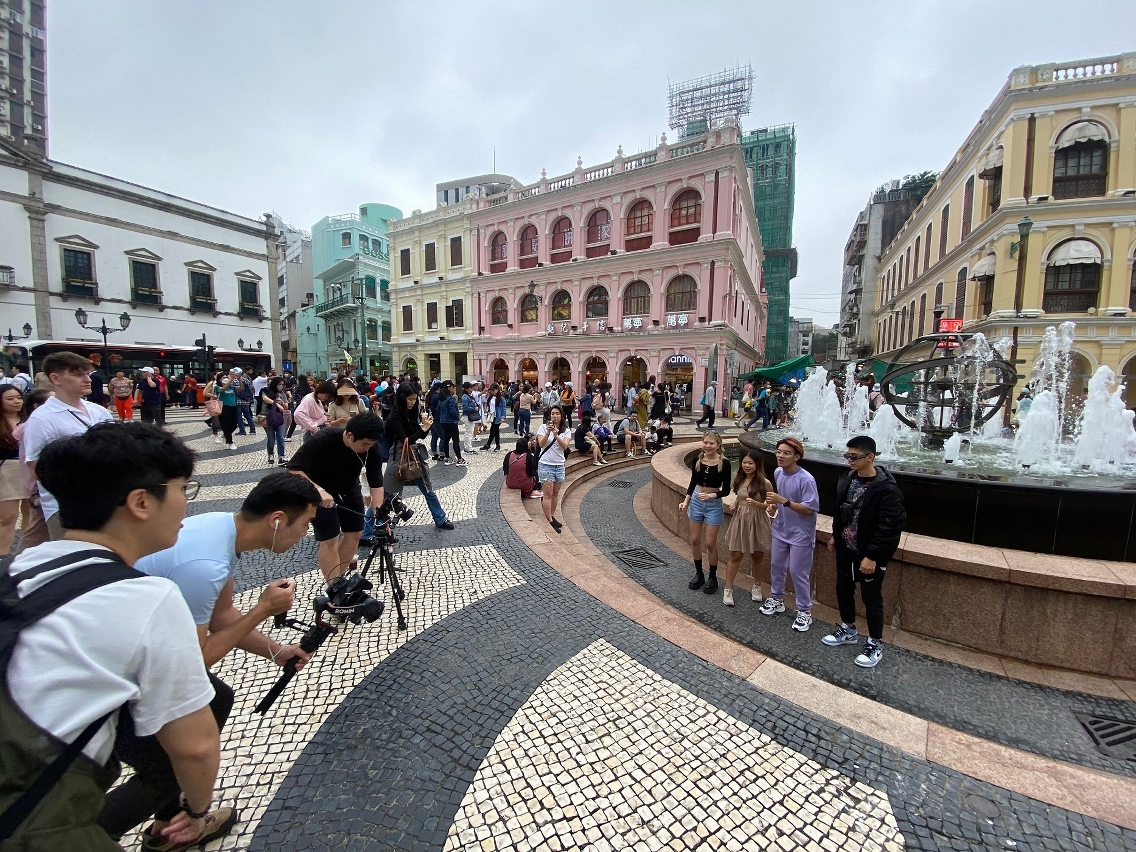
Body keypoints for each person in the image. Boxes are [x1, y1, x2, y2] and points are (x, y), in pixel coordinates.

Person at [3, 422, 222, 850]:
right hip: (34, 826)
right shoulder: (147, 598)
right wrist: (196, 811)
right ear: (141, 502)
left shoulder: (14, 569)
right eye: (183, 489)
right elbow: (195, 747)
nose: (186, 503)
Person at [99, 473, 321, 842]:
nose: (306, 533)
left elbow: (221, 616)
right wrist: (262, 610)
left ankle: (168, 824)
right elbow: (194, 662)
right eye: (305, 524)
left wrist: (277, 651)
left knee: (217, 697)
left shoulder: (222, 529)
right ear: (277, 520)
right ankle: (83, 836)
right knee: (166, 771)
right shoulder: (206, 566)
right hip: (111, 670)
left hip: (134, 646)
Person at [822, 435, 907, 668]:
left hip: (869, 554)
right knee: (843, 589)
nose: (849, 460)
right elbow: (840, 511)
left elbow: (890, 527)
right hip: (846, 548)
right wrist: (835, 535)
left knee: (871, 598)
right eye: (847, 455)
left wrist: (873, 556)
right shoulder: (848, 478)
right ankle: (848, 628)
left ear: (870, 457)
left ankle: (875, 643)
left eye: (854, 456)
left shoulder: (886, 488)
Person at [21, 352, 114, 540]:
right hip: (65, 506)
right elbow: (35, 467)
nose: (87, 379)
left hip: (105, 499)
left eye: (87, 374)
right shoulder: (42, 418)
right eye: (78, 375)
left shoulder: (99, 411)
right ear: (56, 379)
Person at [286, 413, 385, 582]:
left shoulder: (371, 449)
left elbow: (376, 484)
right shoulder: (323, 439)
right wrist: (318, 490)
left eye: (371, 445)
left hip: (349, 488)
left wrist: (380, 516)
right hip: (320, 492)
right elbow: (293, 469)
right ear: (350, 435)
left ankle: (338, 582)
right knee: (330, 538)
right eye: (364, 444)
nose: (367, 449)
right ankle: (334, 586)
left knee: (355, 533)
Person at [760, 437, 820, 632]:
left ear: (797, 457)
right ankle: (777, 599)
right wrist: (774, 505)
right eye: (778, 451)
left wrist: (783, 501)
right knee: (776, 565)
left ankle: (804, 611)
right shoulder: (778, 472)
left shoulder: (806, 479)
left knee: (797, 571)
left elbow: (809, 509)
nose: (780, 456)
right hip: (781, 528)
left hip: (801, 533)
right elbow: (781, 500)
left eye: (786, 453)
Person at [382, 382, 454, 530]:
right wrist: (424, 428)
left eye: (415, 399)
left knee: (427, 488)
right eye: (410, 399)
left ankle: (440, 519)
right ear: (402, 398)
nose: (413, 402)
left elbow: (419, 436)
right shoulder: (395, 416)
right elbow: (405, 440)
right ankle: (369, 529)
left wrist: (425, 425)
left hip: (413, 454)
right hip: (398, 454)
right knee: (388, 495)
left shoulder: (411, 412)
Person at [680, 431, 732, 594]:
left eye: (711, 443)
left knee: (710, 543)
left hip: (713, 503)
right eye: (706, 442)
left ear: (718, 445)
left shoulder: (724, 463)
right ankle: (699, 574)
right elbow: (692, 482)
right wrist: (686, 501)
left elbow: (726, 490)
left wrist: (711, 496)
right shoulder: (697, 460)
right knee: (695, 540)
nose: (708, 446)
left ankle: (713, 577)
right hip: (696, 500)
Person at [722, 450, 773, 606]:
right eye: (744, 462)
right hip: (741, 520)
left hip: (758, 520)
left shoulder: (765, 483)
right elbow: (740, 496)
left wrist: (758, 504)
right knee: (735, 555)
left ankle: (757, 586)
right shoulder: (740, 479)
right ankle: (728, 589)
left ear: (757, 464)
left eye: (750, 463)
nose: (747, 466)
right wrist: (735, 504)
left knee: (757, 555)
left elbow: (772, 506)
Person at [11, 388, 52, 553]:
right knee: (37, 530)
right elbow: (32, 461)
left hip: (45, 483)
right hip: (41, 483)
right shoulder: (34, 425)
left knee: (37, 527)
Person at [0, 382, 29, 555]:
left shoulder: (29, 419)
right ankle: (3, 555)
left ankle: (26, 552)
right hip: (7, 469)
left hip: (28, 467)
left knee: (31, 514)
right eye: (10, 399)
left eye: (19, 398)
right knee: (7, 516)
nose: (16, 402)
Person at [536, 405, 572, 533]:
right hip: (546, 465)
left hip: (559, 465)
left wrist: (556, 435)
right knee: (548, 495)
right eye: (552, 414)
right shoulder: (542, 427)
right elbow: (541, 444)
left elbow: (565, 447)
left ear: (561, 416)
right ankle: (549, 520)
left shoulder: (566, 431)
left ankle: (551, 515)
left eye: (557, 413)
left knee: (555, 494)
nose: (555, 416)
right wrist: (548, 432)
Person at [259, 376, 289, 467]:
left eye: (282, 385)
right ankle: (270, 454)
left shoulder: (282, 394)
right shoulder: (266, 391)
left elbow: (286, 407)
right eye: (279, 384)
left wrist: (282, 403)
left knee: (280, 438)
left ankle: (281, 457)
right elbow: (265, 399)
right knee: (271, 439)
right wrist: (275, 403)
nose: (281, 386)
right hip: (267, 417)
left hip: (279, 418)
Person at [294, 379, 334, 443]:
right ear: (321, 391)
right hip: (313, 432)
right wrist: (313, 425)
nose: (326, 398)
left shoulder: (316, 400)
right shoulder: (309, 399)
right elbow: (298, 414)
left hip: (318, 430)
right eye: (326, 395)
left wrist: (325, 418)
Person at [436, 380, 465, 466]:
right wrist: (458, 416)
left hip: (443, 421)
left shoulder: (441, 399)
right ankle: (459, 459)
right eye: (453, 387)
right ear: (449, 388)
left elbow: (438, 410)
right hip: (451, 421)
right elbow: (452, 410)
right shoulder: (450, 399)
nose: (454, 388)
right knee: (455, 440)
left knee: (446, 439)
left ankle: (447, 458)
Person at [215, 371, 240, 450]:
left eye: (226, 377)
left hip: (233, 406)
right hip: (223, 406)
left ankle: (225, 435)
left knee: (234, 424)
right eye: (223, 377)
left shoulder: (231, 387)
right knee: (226, 425)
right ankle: (230, 442)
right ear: (219, 379)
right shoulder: (217, 387)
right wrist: (230, 379)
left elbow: (241, 388)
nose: (225, 378)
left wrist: (239, 379)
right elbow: (222, 389)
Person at [482, 385, 507, 451]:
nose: (492, 391)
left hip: (498, 417)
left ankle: (488, 445)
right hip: (492, 416)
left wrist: (503, 417)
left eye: (493, 390)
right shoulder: (490, 397)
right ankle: (497, 445)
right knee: (496, 431)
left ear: (497, 390)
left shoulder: (501, 399)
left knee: (492, 431)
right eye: (491, 390)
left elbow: (504, 409)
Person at [233, 368, 257, 436]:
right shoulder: (246, 380)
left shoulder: (234, 381)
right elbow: (252, 389)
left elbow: (234, 390)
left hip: (238, 400)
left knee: (239, 416)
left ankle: (242, 430)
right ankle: (252, 429)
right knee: (248, 415)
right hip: (246, 400)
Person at [460, 382, 480, 455]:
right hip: (468, 416)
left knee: (469, 432)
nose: (472, 389)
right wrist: (474, 408)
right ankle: (468, 448)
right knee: (469, 432)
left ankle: (468, 447)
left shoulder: (468, 396)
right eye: (470, 388)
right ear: (466, 389)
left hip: (469, 416)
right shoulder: (465, 397)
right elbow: (465, 407)